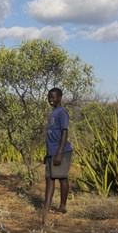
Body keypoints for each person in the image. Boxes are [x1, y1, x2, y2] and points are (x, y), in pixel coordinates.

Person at [43, 87, 73, 217]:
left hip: (61, 151)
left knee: (61, 178)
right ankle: (46, 208)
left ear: (59, 98)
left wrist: (59, 153)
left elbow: (64, 132)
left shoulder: (62, 112)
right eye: (49, 97)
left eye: (53, 97)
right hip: (52, 151)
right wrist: (48, 154)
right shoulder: (53, 112)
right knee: (49, 178)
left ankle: (62, 206)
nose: (51, 100)